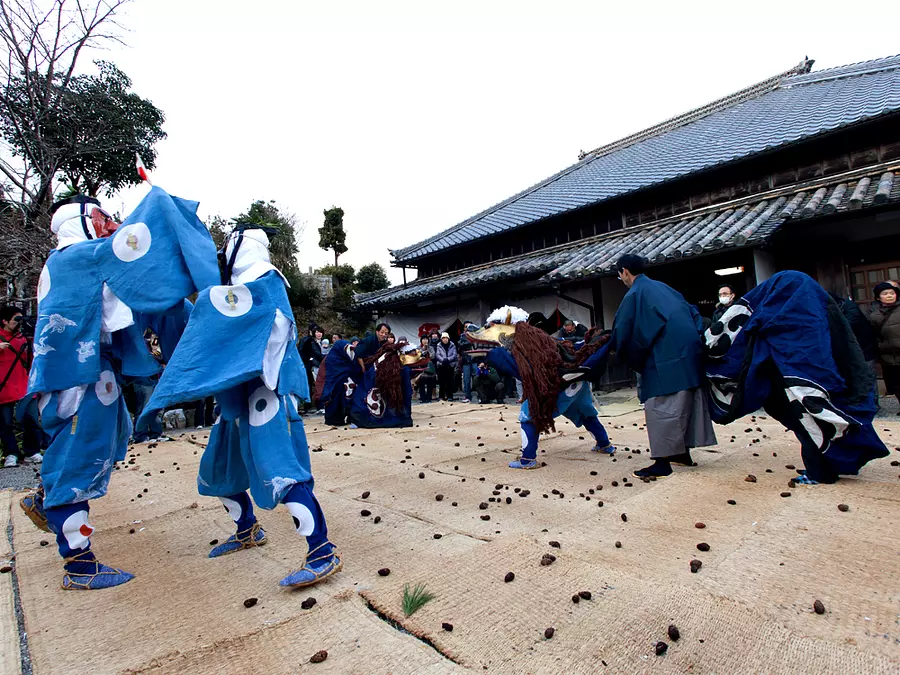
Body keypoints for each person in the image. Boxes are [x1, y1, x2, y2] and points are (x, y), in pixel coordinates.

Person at [20, 188, 217, 590]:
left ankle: (45, 497)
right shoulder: (79, 256)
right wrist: (160, 214)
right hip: (81, 375)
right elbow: (140, 264)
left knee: (111, 438)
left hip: (88, 370)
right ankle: (78, 563)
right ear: (81, 221)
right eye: (102, 217)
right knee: (83, 451)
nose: (110, 224)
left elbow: (134, 294)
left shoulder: (76, 262)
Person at [140, 224, 341, 588]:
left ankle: (321, 551)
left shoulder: (265, 282)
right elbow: (209, 327)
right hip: (235, 403)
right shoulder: (233, 294)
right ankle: (247, 528)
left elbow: (273, 336)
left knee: (280, 473)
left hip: (265, 399)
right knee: (218, 472)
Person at [706, 271, 888, 484]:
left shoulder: (771, 311)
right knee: (815, 424)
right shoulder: (816, 312)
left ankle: (819, 472)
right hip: (816, 381)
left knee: (807, 426)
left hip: (789, 383)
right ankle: (825, 466)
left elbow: (732, 337)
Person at [609, 254, 716, 479]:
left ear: (624, 271)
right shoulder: (665, 288)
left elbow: (626, 330)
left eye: (620, 274)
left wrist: (616, 350)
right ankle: (682, 453)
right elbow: (694, 313)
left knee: (662, 408)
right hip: (689, 352)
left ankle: (662, 462)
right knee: (686, 404)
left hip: (665, 358)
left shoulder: (636, 293)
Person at [471, 306, 615, 469]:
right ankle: (604, 445)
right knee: (585, 412)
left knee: (529, 416)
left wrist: (490, 354)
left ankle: (527, 460)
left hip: (555, 387)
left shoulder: (524, 347)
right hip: (577, 385)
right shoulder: (543, 339)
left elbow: (518, 368)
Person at [0, 306, 42, 467]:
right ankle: (11, 453)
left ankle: (32, 451)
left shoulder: (24, 339)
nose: (19, 323)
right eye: (16, 319)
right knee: (5, 423)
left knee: (31, 419)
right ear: (5, 320)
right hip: (4, 385)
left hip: (24, 384)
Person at [829, 291, 878, 404]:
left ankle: (872, 403)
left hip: (864, 349)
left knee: (867, 376)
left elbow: (845, 327)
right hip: (847, 352)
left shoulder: (850, 308)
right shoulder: (830, 310)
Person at [865, 281, 900, 411]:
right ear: (878, 297)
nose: (890, 295)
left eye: (892, 293)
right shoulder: (873, 313)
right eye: (885, 293)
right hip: (887, 353)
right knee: (895, 383)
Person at [456, 322, 478, 402]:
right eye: (466, 327)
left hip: (476, 359)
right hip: (466, 360)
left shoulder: (478, 335)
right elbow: (460, 346)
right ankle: (467, 396)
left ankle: (481, 396)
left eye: (469, 326)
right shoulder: (462, 336)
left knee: (477, 377)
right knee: (466, 379)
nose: (468, 328)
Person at [434, 332, 457, 401]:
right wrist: (443, 360)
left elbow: (454, 354)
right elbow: (437, 355)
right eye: (443, 338)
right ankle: (441, 396)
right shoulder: (439, 345)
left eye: (446, 338)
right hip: (441, 365)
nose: (445, 339)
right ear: (441, 339)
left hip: (450, 365)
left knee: (450, 381)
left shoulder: (453, 345)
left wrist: (448, 359)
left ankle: (450, 396)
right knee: (442, 382)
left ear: (448, 338)